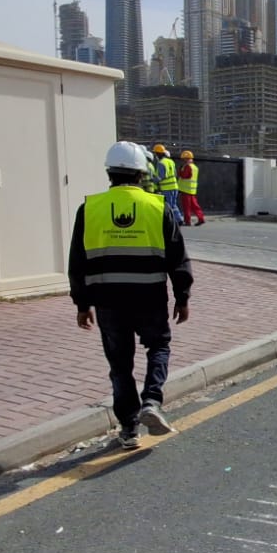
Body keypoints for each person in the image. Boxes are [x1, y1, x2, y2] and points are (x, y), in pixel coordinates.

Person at [69, 141, 194, 448]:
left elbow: (77, 261)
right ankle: (152, 401)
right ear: (142, 174)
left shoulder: (90, 209)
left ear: (109, 173)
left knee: (120, 364)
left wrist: (82, 303)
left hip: (108, 302)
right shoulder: (158, 207)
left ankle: (129, 429)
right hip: (149, 298)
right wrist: (183, 296)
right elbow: (177, 258)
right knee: (159, 346)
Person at [153, 144, 182, 220]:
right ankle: (179, 219)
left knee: (168, 206)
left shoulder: (161, 163)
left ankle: (170, 221)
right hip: (174, 187)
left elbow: (161, 176)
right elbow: (175, 174)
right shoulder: (171, 161)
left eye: (155, 153)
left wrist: (153, 181)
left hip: (167, 188)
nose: (155, 155)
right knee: (173, 205)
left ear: (158, 154)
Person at [177, 150, 206, 227]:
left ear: (187, 158)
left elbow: (184, 176)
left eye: (184, 159)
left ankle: (187, 221)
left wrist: (179, 171)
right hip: (192, 190)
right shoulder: (195, 167)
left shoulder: (187, 167)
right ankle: (201, 218)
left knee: (186, 207)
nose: (183, 160)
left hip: (185, 190)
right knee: (195, 206)